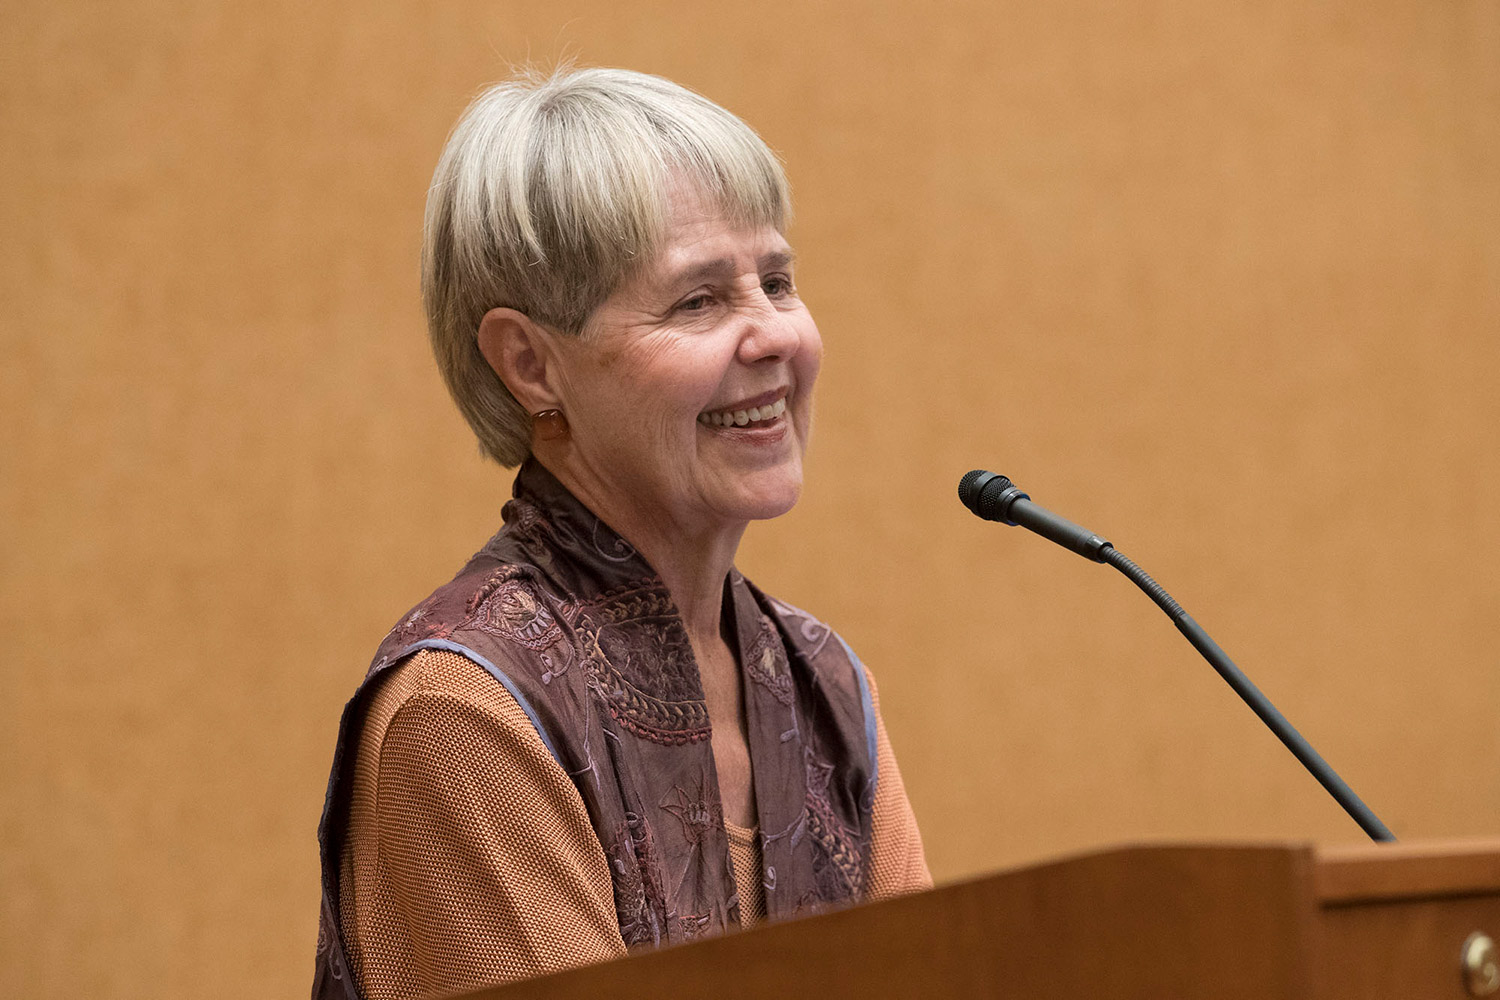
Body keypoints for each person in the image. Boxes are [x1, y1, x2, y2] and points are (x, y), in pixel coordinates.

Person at [312, 67, 931, 1000]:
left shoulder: (823, 684)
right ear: (531, 364)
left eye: (777, 280)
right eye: (698, 301)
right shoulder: (466, 708)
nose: (773, 338)